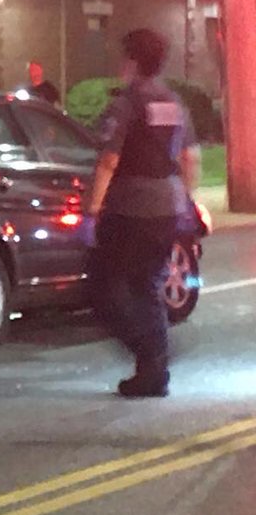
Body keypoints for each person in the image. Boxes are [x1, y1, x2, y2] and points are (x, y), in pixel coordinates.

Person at [87, 29, 200, 398]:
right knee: (148, 286)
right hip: (168, 205)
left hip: (130, 207)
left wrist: (93, 211)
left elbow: (108, 160)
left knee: (106, 289)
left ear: (132, 60)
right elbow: (190, 157)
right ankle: (153, 368)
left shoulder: (128, 103)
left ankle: (151, 358)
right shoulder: (174, 102)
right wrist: (187, 200)